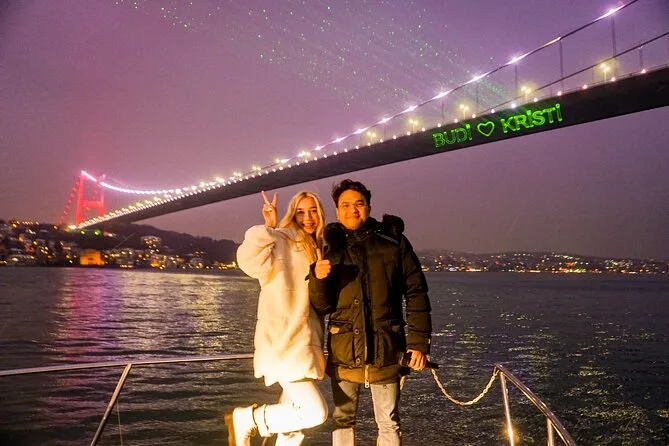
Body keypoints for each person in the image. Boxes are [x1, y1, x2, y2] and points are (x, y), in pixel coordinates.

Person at [309, 179, 432, 446]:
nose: (352, 210)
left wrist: (419, 344)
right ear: (337, 211)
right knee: (343, 419)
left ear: (369, 207)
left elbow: (416, 293)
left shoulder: (393, 242)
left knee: (389, 421)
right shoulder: (329, 249)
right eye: (345, 205)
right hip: (344, 351)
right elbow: (321, 306)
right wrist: (317, 278)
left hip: (387, 350)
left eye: (359, 204)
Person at [226, 190, 329, 446]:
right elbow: (249, 263)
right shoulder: (281, 239)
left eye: (313, 211)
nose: (308, 217)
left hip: (304, 342)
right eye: (301, 212)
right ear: (292, 214)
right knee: (314, 412)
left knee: (294, 428)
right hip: (284, 341)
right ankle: (249, 418)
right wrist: (268, 228)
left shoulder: (317, 247)